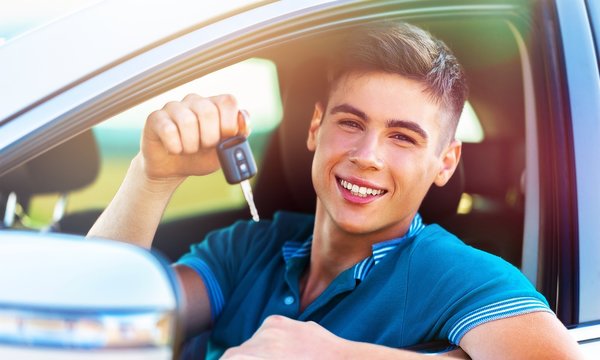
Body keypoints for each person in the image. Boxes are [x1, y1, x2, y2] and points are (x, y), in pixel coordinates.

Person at [88, 22, 583, 359]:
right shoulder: (248, 248)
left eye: (403, 136)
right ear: (314, 129)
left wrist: (334, 354)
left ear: (445, 163)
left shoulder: (454, 273)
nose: (367, 154)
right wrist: (152, 178)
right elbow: (96, 328)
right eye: (351, 123)